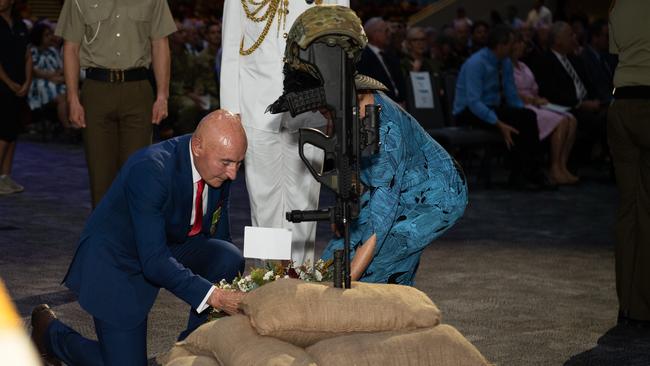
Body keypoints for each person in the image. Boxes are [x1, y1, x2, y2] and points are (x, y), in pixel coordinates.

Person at [268, 5, 468, 286]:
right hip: (386, 186)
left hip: (435, 193)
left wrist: (346, 284)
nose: (320, 113)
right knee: (331, 260)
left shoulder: (385, 133)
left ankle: (395, 309)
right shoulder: (342, 108)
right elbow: (349, 173)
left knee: (382, 261)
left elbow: (378, 225)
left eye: (320, 106)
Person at [30, 110, 248, 365]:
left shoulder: (219, 166)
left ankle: (191, 350)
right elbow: (154, 261)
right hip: (116, 259)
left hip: (166, 244)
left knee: (227, 256)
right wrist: (215, 296)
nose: (234, 173)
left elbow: (219, 236)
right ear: (198, 146)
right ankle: (51, 335)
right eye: (227, 163)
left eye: (239, 163)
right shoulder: (151, 169)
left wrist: (233, 289)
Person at [221, 0, 348, 265]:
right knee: (262, 199)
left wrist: (335, 104)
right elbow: (231, 49)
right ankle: (267, 278)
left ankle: (299, 276)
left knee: (304, 200)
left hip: (313, 107)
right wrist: (230, 113)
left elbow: (343, 43)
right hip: (256, 107)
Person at [55, 0, 176, 207]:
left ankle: (132, 237)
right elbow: (71, 48)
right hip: (96, 91)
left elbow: (160, 44)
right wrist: (72, 98)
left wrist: (163, 95)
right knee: (100, 175)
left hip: (138, 91)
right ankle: (103, 237)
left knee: (137, 173)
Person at [453, 25, 548, 190]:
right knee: (520, 119)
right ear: (501, 45)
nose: (515, 46)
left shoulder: (504, 62)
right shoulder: (476, 63)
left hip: (491, 107)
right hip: (467, 111)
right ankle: (522, 173)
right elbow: (473, 102)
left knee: (527, 116)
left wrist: (521, 111)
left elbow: (511, 95)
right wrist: (498, 123)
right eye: (512, 43)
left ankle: (530, 170)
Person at [608, 0, 650, 328]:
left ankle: (629, 303)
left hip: (621, 104)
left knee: (628, 207)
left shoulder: (618, 5)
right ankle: (644, 304)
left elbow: (616, 51)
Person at [532, 21, 607, 167]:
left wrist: (598, 100)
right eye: (570, 35)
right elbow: (550, 93)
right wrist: (580, 104)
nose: (574, 38)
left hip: (588, 104)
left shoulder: (575, 60)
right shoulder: (544, 61)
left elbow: (588, 85)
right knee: (605, 122)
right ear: (558, 40)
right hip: (566, 107)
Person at [511, 33, 578, 185]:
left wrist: (540, 99)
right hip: (523, 105)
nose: (523, 46)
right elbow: (512, 93)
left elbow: (534, 88)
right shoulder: (505, 67)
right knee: (561, 121)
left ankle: (562, 165)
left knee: (571, 119)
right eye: (520, 42)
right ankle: (554, 167)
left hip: (536, 102)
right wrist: (533, 100)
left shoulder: (523, 66)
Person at [0, 0, 31, 196]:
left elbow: (28, 56)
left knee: (12, 133)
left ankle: (5, 177)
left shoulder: (21, 25)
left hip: (19, 87)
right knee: (2, 133)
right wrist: (9, 83)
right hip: (2, 86)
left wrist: (27, 82)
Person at [357, 17, 407, 104]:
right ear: (375, 34)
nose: (390, 33)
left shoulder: (390, 55)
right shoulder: (362, 58)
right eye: (386, 31)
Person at [27, 22, 68, 129]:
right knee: (62, 98)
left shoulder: (53, 51)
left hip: (55, 81)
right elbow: (34, 71)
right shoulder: (31, 50)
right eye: (47, 35)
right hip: (38, 84)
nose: (51, 37)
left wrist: (56, 77)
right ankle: (68, 128)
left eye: (50, 34)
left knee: (78, 94)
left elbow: (61, 68)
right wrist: (52, 77)